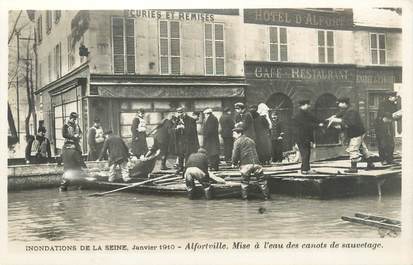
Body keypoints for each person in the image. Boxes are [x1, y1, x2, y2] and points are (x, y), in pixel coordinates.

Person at [327, 97, 375, 173]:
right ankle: (370, 164)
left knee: (353, 149)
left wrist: (337, 120)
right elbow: (341, 114)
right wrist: (334, 116)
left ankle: (354, 168)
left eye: (339, 103)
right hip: (358, 132)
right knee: (362, 149)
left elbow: (350, 122)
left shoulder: (351, 111)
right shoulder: (347, 110)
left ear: (344, 103)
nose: (338, 105)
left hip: (356, 133)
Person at [231, 124, 269, 200]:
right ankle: (267, 197)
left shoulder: (237, 142)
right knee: (262, 181)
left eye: (234, 133)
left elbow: (235, 154)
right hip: (256, 163)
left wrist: (234, 163)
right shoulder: (251, 140)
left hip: (246, 164)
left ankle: (245, 199)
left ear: (239, 133)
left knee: (245, 182)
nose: (233, 135)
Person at [291, 100, 324, 174]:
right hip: (301, 137)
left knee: (307, 153)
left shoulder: (307, 114)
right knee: (305, 153)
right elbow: (307, 125)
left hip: (307, 137)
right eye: (307, 104)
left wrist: (324, 121)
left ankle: (306, 168)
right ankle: (304, 170)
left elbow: (315, 120)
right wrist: (318, 125)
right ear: (302, 105)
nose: (309, 106)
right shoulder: (298, 116)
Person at [60, 112, 85, 191]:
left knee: (78, 167)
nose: (74, 120)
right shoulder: (65, 126)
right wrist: (73, 137)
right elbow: (64, 134)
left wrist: (79, 136)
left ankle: (80, 184)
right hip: (68, 146)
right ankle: (63, 185)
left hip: (76, 147)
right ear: (70, 118)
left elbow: (81, 133)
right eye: (73, 119)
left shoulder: (77, 126)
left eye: (75, 119)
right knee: (69, 167)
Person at [374, 93, 400, 165]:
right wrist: (391, 115)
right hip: (380, 126)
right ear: (390, 97)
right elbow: (383, 113)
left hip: (389, 125)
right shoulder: (383, 103)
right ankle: (383, 159)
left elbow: (395, 114)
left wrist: (396, 116)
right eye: (394, 97)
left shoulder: (393, 104)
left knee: (391, 143)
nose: (396, 98)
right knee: (382, 143)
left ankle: (390, 159)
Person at [175, 107, 199, 172]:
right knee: (180, 154)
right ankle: (180, 167)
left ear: (184, 112)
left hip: (188, 141)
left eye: (181, 112)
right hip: (180, 141)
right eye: (178, 113)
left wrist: (184, 128)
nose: (179, 114)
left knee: (187, 154)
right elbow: (172, 131)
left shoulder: (191, 120)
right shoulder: (177, 120)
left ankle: (187, 167)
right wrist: (176, 129)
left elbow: (193, 132)